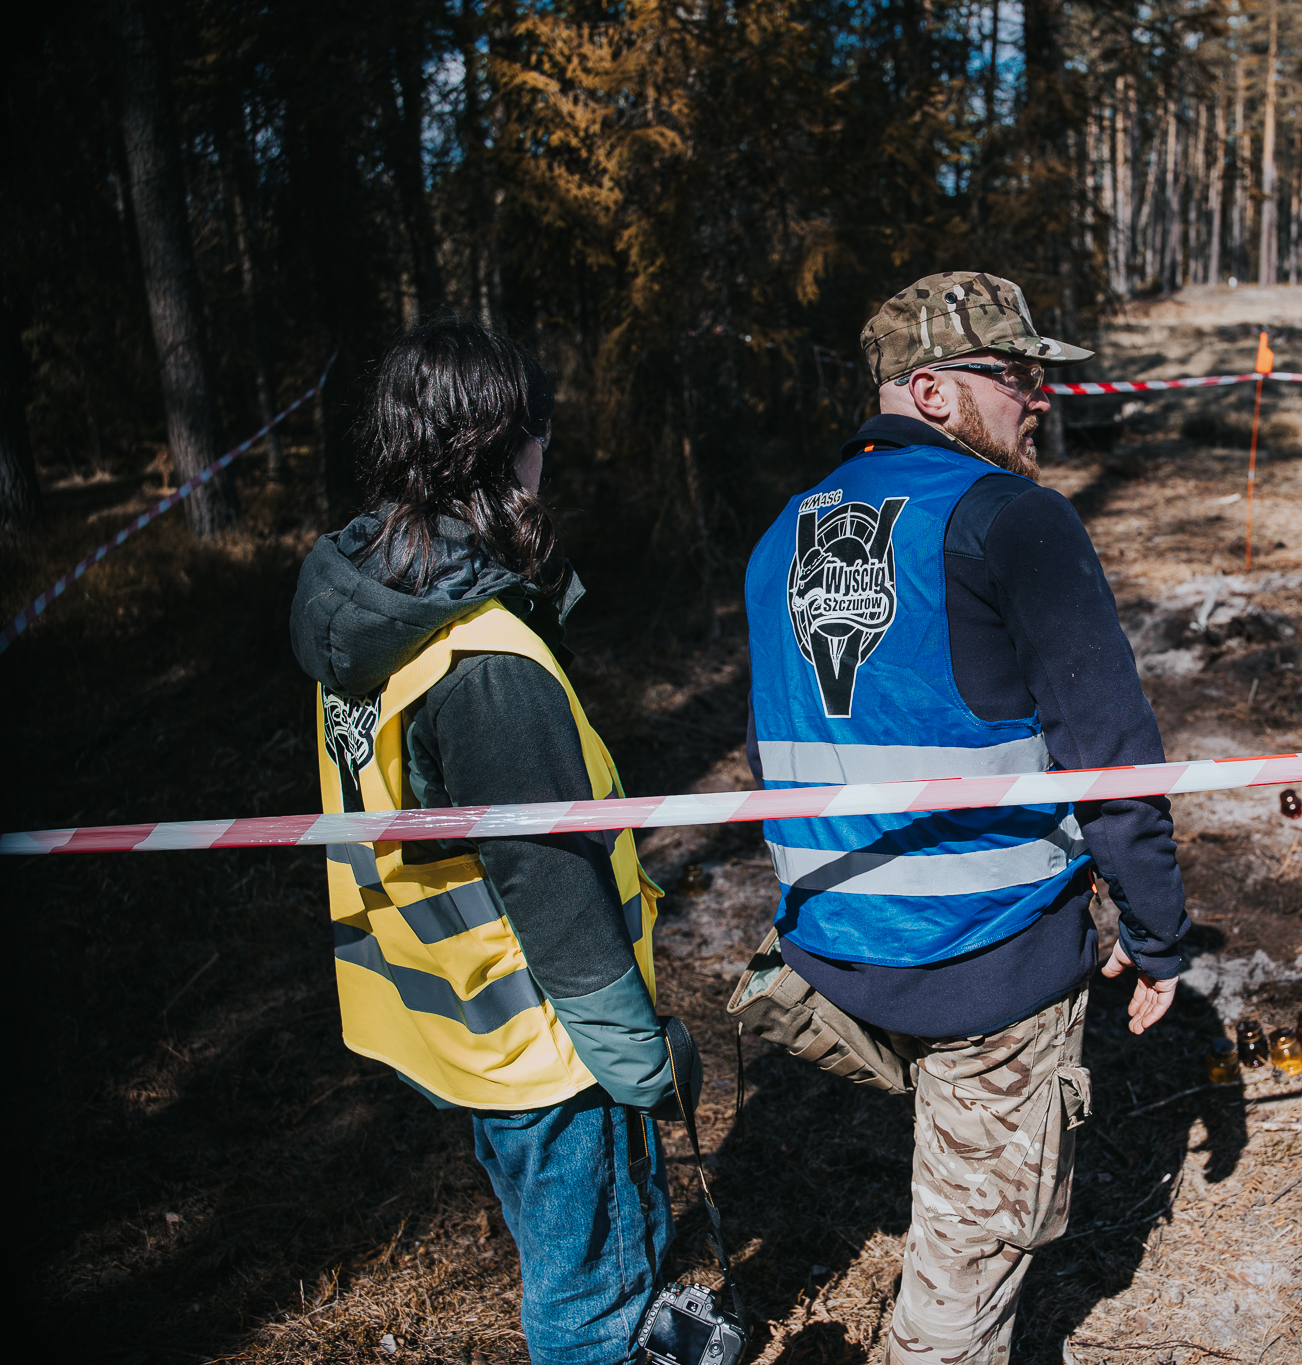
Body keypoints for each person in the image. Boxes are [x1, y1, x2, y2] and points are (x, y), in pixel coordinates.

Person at [742, 272, 1190, 1361]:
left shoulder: (777, 537)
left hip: (829, 947)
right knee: (968, 1266)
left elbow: (778, 751)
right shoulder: (1012, 519)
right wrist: (1158, 930)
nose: (1038, 398)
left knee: (952, 1194)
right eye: (1015, 377)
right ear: (932, 391)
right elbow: (1108, 747)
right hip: (981, 957)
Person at [289, 316, 697, 1365]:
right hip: (544, 1045)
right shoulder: (482, 659)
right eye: (540, 434)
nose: (546, 456)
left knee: (581, 1257)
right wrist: (630, 1048)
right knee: (587, 1307)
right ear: (503, 447)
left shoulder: (373, 607)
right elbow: (547, 877)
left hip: (449, 1018)